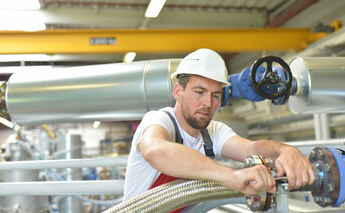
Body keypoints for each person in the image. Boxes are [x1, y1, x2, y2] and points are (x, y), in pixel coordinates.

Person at [123, 48, 315, 212]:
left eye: (215, 95)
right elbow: (155, 150)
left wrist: (284, 151)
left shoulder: (212, 133)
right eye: (199, 92)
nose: (208, 103)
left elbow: (252, 148)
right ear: (178, 92)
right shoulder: (160, 120)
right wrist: (231, 176)